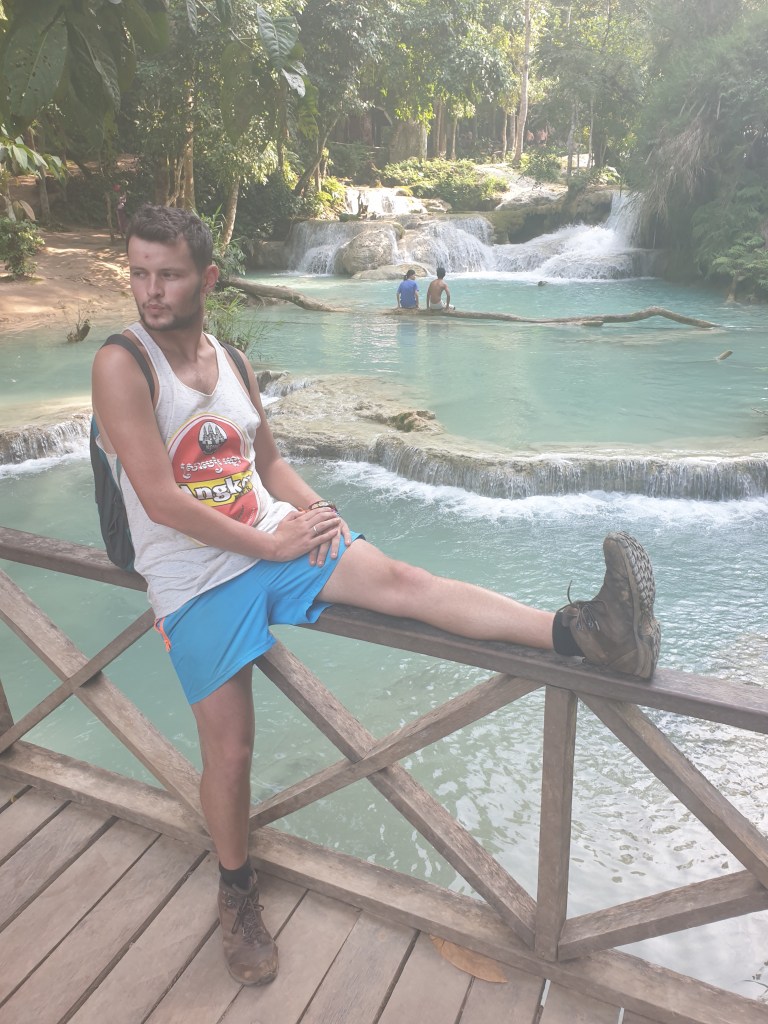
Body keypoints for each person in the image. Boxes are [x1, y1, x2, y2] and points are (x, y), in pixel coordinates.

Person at [92, 204, 661, 989]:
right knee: (231, 751)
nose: (151, 291)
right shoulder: (123, 364)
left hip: (271, 537)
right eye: (140, 274)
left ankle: (588, 633)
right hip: (193, 579)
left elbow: (268, 466)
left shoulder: (231, 362)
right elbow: (159, 499)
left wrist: (319, 513)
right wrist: (272, 544)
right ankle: (236, 889)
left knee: (403, 581)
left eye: (169, 275)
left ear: (208, 279)